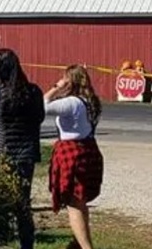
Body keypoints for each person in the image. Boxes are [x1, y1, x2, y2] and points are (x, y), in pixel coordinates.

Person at [0, 49, 44, 249]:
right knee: (23, 205)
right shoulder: (34, 92)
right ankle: (26, 245)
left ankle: (1, 242)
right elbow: (39, 118)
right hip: (26, 154)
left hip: (0, 153)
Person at [44, 65, 104, 249]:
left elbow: (42, 105)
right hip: (88, 149)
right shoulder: (90, 100)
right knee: (80, 201)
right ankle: (80, 243)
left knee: (73, 203)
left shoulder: (71, 103)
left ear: (70, 81)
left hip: (73, 152)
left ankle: (86, 247)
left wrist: (56, 87)